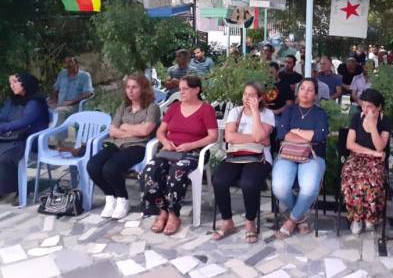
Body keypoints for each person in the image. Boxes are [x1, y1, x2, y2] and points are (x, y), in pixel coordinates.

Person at [142, 76, 218, 235]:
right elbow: (160, 131)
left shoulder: (206, 110)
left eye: (185, 89)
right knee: (150, 171)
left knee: (176, 173)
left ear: (196, 90)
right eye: (180, 89)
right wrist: (165, 141)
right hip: (170, 150)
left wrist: (190, 145)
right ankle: (162, 211)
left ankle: (173, 215)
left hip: (194, 152)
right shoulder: (174, 108)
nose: (181, 92)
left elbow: (213, 136)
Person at [87, 73, 160, 219]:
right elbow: (113, 130)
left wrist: (125, 126)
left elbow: (145, 131)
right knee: (93, 166)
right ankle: (110, 197)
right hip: (117, 144)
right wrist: (134, 130)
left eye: (134, 87)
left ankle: (122, 199)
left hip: (137, 146)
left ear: (143, 89)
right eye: (128, 87)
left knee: (110, 168)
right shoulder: (124, 106)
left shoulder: (152, 108)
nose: (130, 91)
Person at [212, 82, 275, 243]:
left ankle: (250, 221)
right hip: (235, 154)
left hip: (259, 157)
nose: (247, 98)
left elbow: (259, 136)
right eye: (245, 94)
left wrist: (255, 113)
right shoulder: (235, 111)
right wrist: (255, 138)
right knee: (219, 180)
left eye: (252, 95)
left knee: (249, 183)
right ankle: (227, 221)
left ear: (259, 98)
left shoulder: (267, 114)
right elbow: (229, 137)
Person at [272, 78, 329, 239]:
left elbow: (319, 136)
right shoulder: (289, 111)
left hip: (313, 155)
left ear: (315, 94)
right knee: (279, 188)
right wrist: (306, 137)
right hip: (288, 154)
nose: (305, 92)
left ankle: (291, 221)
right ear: (297, 91)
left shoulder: (320, 113)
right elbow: (282, 134)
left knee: (309, 188)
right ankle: (300, 216)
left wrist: (295, 132)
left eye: (310, 90)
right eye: (302, 88)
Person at [342, 88, 392, 235]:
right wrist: (372, 152)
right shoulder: (356, 118)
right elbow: (350, 144)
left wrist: (372, 128)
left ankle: (370, 216)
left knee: (372, 180)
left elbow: (380, 146)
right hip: (357, 157)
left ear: (379, 107)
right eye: (363, 105)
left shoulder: (385, 121)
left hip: (376, 161)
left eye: (369, 106)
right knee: (350, 177)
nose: (365, 109)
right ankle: (356, 218)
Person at [0, 73, 49, 199]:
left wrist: (2, 128)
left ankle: (17, 188)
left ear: (26, 83)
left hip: (31, 139)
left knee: (6, 155)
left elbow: (24, 122)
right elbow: (3, 116)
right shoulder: (12, 101)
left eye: (15, 82)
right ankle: (4, 188)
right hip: (13, 136)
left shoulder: (35, 102)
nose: (12, 86)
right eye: (10, 83)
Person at [48, 55, 94, 123]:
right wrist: (54, 99)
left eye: (70, 61)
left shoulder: (84, 76)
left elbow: (88, 93)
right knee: (41, 107)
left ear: (76, 64)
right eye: (66, 62)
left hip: (73, 106)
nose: (68, 64)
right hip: (59, 103)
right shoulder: (62, 74)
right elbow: (56, 88)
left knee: (59, 111)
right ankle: (44, 129)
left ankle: (58, 130)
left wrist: (70, 102)